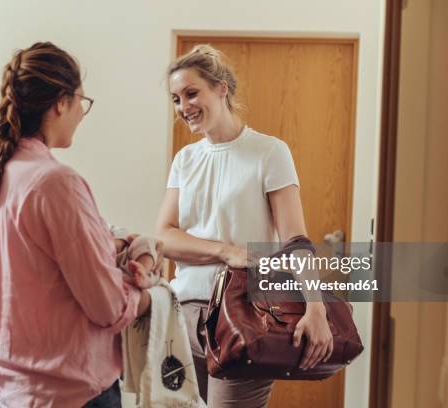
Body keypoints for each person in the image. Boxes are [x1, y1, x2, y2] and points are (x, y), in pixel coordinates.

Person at [0, 42, 161, 408]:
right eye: (81, 103)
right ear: (61, 102)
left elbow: (33, 264)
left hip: (13, 389)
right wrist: (149, 294)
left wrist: (109, 247)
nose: (81, 113)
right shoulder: (56, 183)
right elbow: (107, 307)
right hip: (73, 392)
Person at [155, 44, 334, 407]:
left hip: (244, 319)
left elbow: (296, 241)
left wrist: (316, 308)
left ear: (221, 88)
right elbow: (164, 237)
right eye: (176, 98)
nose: (183, 107)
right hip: (183, 317)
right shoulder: (185, 160)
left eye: (192, 93)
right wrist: (226, 251)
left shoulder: (269, 152)